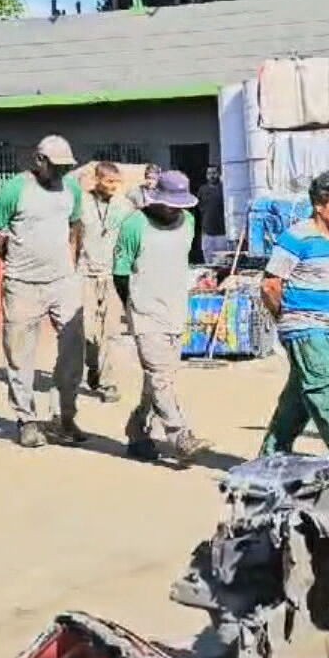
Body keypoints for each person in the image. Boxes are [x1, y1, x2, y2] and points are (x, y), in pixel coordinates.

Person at [0, 135, 88, 449]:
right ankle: (26, 419)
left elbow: (76, 224)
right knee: (20, 354)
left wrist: (73, 259)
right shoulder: (16, 189)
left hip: (62, 281)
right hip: (22, 284)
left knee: (73, 349)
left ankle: (64, 417)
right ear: (39, 161)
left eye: (66, 168)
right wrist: (11, 257)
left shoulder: (71, 189)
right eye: (56, 167)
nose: (61, 174)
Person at [258, 171, 329, 457]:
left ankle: (273, 453)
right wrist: (287, 316)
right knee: (325, 388)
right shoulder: (296, 237)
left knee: (301, 391)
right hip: (304, 326)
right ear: (319, 205)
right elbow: (269, 285)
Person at [113, 170, 212, 464]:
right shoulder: (134, 225)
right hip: (145, 313)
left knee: (160, 379)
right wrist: (133, 306)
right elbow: (120, 273)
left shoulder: (189, 222)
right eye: (171, 205)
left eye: (181, 205)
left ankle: (138, 432)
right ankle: (180, 436)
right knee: (159, 377)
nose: (176, 210)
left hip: (175, 310)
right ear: (155, 199)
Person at [77, 161, 130, 403]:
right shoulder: (81, 204)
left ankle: (109, 383)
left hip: (112, 276)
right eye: (109, 182)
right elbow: (72, 238)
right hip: (85, 274)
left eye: (116, 183)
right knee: (88, 331)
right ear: (97, 180)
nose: (113, 187)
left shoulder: (125, 206)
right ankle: (93, 367)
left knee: (111, 332)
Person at [196, 169, 228, 260]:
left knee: (222, 262)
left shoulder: (224, 189)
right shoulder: (202, 190)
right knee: (208, 262)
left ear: (219, 174)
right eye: (209, 173)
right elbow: (198, 208)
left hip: (222, 233)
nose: (212, 176)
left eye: (214, 173)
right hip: (207, 232)